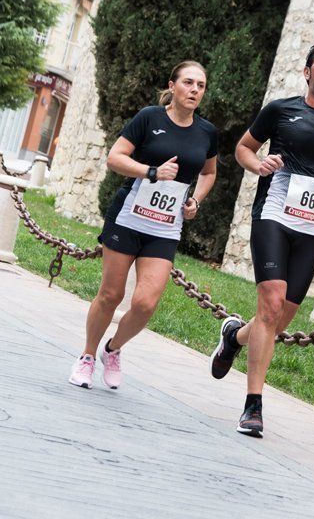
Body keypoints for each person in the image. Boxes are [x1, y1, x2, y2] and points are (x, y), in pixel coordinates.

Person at [209, 39, 314, 438]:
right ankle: (253, 407)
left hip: (313, 226)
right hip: (274, 215)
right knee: (269, 303)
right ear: (307, 71)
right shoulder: (281, 111)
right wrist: (259, 165)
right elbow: (243, 149)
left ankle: (234, 336)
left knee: (278, 319)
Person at [69, 60, 217, 390]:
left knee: (146, 303)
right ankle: (87, 356)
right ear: (173, 86)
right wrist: (150, 172)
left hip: (165, 226)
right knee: (110, 295)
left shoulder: (207, 132)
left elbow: (208, 173)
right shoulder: (149, 118)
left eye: (201, 86)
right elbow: (115, 157)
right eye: (189, 83)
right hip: (129, 217)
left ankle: (113, 349)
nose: (195, 90)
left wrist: (196, 199)